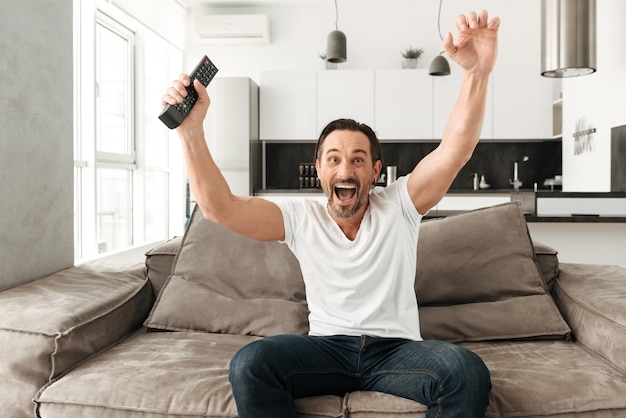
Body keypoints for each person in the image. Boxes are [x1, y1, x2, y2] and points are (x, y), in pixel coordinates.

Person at [162, 9, 500, 418]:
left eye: (358, 160)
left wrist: (477, 74)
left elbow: (455, 149)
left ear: (376, 172)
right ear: (319, 169)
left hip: (398, 351)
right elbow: (219, 208)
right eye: (334, 159)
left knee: (466, 371)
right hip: (326, 349)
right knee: (251, 363)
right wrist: (190, 130)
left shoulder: (401, 205)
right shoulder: (300, 218)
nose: (346, 170)